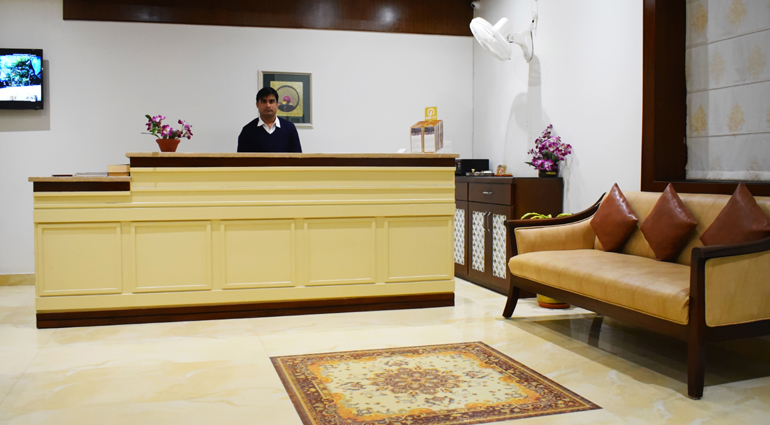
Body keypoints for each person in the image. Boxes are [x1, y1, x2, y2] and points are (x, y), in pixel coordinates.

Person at [237, 87, 302, 152]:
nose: (268, 105)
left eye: (271, 101)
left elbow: (298, 156)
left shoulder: (289, 128)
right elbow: (241, 158)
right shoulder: (247, 130)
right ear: (257, 105)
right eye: (264, 101)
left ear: (277, 104)